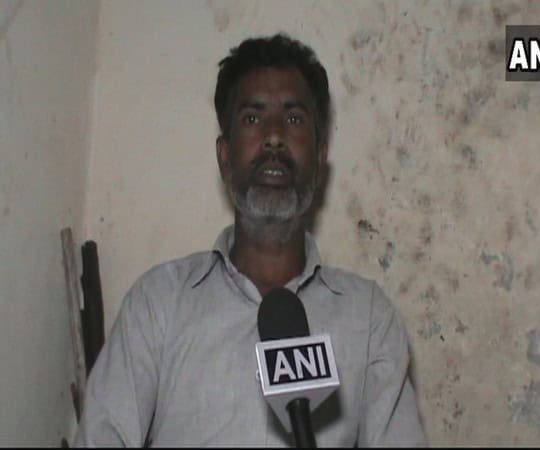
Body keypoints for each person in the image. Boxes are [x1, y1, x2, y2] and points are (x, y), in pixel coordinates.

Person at [74, 33, 427, 447]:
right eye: (253, 119)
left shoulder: (369, 320)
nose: (274, 137)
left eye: (294, 119)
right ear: (225, 157)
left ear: (320, 157)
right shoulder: (158, 305)